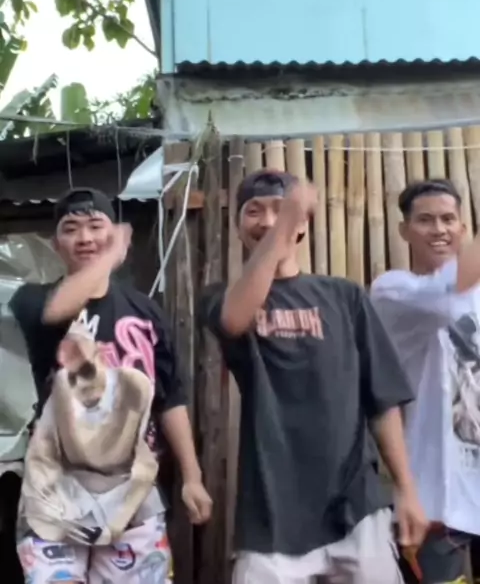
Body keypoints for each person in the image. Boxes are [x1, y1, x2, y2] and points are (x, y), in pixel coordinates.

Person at [200, 168, 427, 584]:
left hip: (355, 506)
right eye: (254, 211)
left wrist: (406, 489)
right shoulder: (222, 298)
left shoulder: (345, 296)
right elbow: (234, 320)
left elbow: (382, 400)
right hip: (270, 514)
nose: (268, 220)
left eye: (280, 209)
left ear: (305, 224)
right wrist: (285, 221)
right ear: (237, 226)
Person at [10, 187, 212, 584]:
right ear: (56, 244)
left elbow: (170, 397)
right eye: (71, 229)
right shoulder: (33, 300)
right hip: (54, 492)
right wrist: (110, 254)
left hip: (133, 490)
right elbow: (57, 311)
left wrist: (192, 476)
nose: (85, 238)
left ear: (114, 231)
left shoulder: (146, 312)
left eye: (95, 226)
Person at [371, 177, 480, 584]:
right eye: (426, 220)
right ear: (404, 230)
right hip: (433, 496)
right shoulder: (393, 291)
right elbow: (446, 296)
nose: (439, 229)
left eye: (448, 219)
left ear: (463, 228)